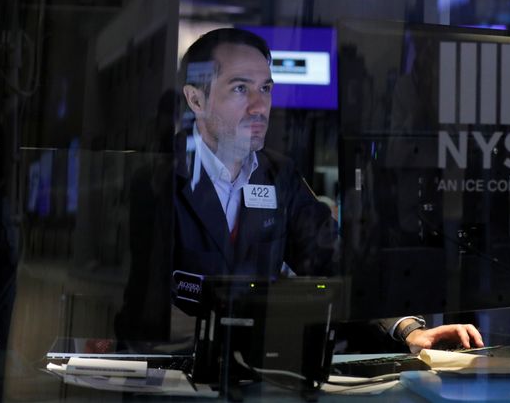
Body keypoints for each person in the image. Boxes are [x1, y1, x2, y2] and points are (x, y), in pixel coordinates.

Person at [117, 28, 483, 353]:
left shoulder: (279, 176)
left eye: (265, 88)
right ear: (196, 100)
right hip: (177, 373)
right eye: (240, 88)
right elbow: (145, 310)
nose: (260, 106)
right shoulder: (156, 180)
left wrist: (406, 329)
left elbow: (336, 264)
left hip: (256, 372)